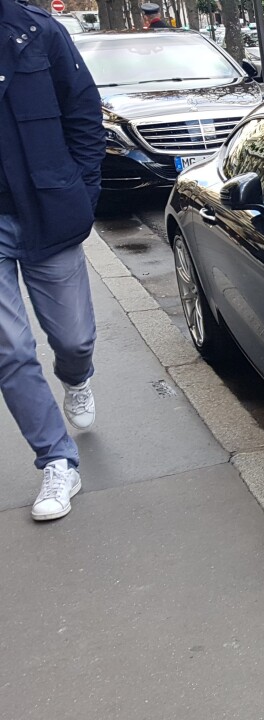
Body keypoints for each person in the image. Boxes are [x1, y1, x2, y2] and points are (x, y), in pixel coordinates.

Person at [0, 0, 105, 520]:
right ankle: (57, 461)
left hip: (48, 209)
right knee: (9, 349)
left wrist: (82, 194)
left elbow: (84, 112)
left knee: (73, 337)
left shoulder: (38, 32)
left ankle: (78, 376)